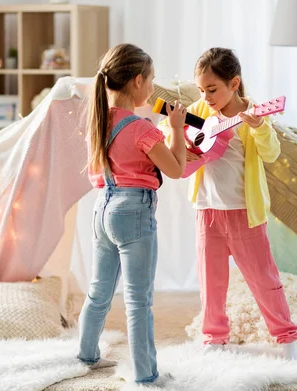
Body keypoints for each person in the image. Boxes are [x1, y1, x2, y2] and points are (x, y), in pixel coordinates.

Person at [162, 47, 297, 359]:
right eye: (201, 90)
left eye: (213, 90)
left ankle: (286, 337)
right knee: (211, 283)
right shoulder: (200, 110)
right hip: (205, 208)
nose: (207, 97)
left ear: (234, 83)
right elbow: (171, 132)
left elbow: (272, 154)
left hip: (242, 211)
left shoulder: (253, 116)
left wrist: (260, 129)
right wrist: (182, 135)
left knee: (264, 279)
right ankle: (214, 338)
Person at [77, 43, 187, 385]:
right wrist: (178, 128)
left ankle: (87, 355)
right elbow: (177, 169)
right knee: (139, 301)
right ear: (137, 81)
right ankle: (146, 375)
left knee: (98, 291)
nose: (153, 88)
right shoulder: (142, 128)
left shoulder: (98, 120)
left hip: (103, 208)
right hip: (133, 211)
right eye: (151, 80)